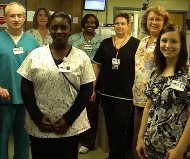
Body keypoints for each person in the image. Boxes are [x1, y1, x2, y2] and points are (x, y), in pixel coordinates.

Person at [17, 11, 95, 159]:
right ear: (49, 29)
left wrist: (68, 119)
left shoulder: (81, 57)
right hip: (40, 126)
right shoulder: (35, 55)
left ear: (70, 30)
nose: (59, 31)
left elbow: (86, 90)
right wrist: (37, 117)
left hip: (69, 127)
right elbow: (25, 87)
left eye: (63, 27)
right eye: (54, 27)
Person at [136, 23, 190, 159]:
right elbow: (148, 107)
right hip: (151, 147)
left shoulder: (186, 75)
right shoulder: (156, 73)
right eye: (164, 40)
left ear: (182, 45)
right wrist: (140, 137)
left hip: (173, 150)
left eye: (174, 41)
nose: (167, 45)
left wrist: (180, 150)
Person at [92, 13, 140, 159]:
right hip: (106, 92)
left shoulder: (136, 44)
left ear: (128, 25)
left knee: (121, 126)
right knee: (110, 125)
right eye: (117, 23)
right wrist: (93, 88)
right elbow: (97, 66)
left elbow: (140, 69)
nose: (119, 26)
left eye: (122, 23)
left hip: (125, 94)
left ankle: (117, 155)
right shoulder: (105, 43)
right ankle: (114, 154)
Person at [0, 2, 39, 159]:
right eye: (12, 15)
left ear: (24, 18)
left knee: (23, 139)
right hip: (3, 99)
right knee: (1, 138)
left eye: (19, 16)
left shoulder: (33, 42)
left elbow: (38, 71)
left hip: (26, 99)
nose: (16, 19)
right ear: (5, 18)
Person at [132, 5, 170, 159]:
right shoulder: (143, 41)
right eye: (151, 19)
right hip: (138, 98)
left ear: (164, 22)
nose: (153, 22)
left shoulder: (165, 41)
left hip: (155, 100)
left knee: (152, 138)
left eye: (158, 19)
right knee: (137, 137)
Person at [69, 13, 103, 154]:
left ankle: (87, 142)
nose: (90, 24)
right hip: (74, 78)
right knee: (73, 109)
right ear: (83, 23)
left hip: (93, 79)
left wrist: (93, 87)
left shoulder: (102, 40)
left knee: (90, 111)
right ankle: (73, 138)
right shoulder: (74, 38)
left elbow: (101, 63)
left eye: (93, 22)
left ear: (96, 24)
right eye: (87, 22)